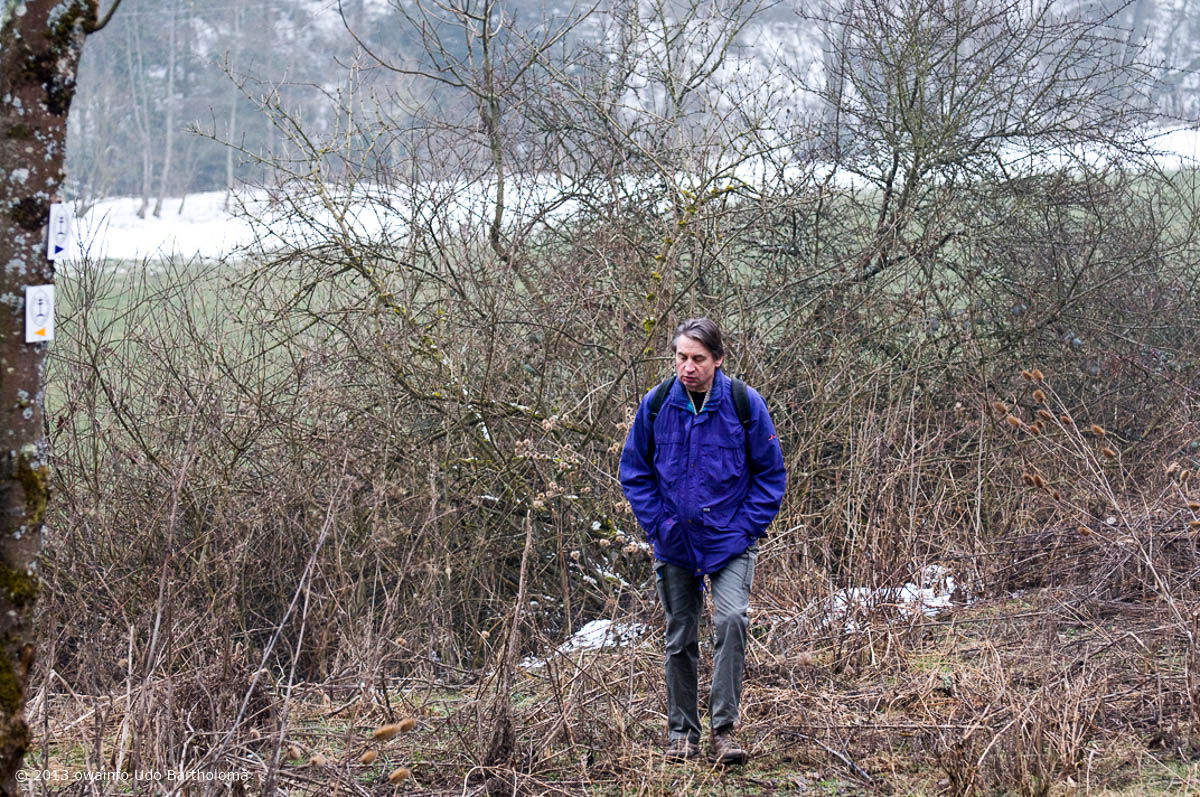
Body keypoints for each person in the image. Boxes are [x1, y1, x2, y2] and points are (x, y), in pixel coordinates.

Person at [619, 318, 787, 765]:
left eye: (697, 358)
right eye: (681, 357)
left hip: (730, 541)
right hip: (675, 542)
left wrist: (745, 528)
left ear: (718, 360)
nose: (687, 367)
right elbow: (634, 472)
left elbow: (771, 475)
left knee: (731, 621)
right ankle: (682, 735)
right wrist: (659, 525)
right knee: (680, 636)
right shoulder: (657, 404)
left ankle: (724, 731)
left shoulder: (744, 404)